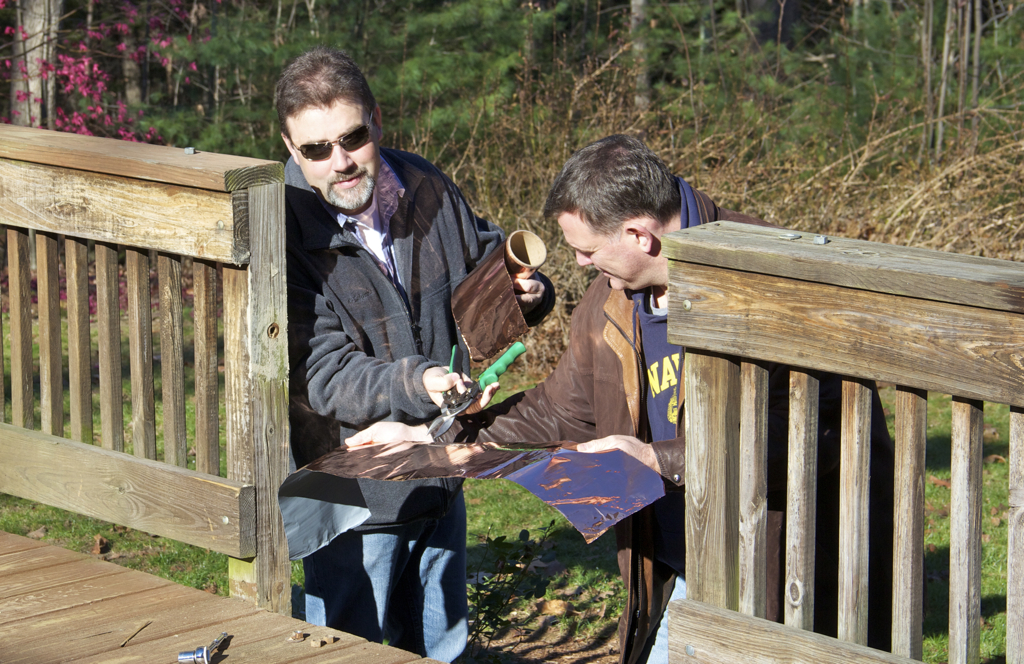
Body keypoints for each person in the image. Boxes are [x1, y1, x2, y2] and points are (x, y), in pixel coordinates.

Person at [351, 134, 895, 664]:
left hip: (778, 571)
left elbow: (817, 437)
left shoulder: (765, 278)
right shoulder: (612, 297)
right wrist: (433, 436)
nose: (582, 266)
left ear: (640, 234)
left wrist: (658, 459)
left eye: (587, 251)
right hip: (684, 562)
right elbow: (560, 408)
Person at [278, 46, 554, 661]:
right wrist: (420, 378)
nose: (340, 162)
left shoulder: (425, 183)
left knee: (442, 649)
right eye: (316, 149)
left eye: (351, 138)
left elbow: (483, 264)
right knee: (345, 651)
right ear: (291, 147)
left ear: (376, 121)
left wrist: (524, 293)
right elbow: (317, 371)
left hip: (438, 469)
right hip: (338, 484)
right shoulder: (280, 226)